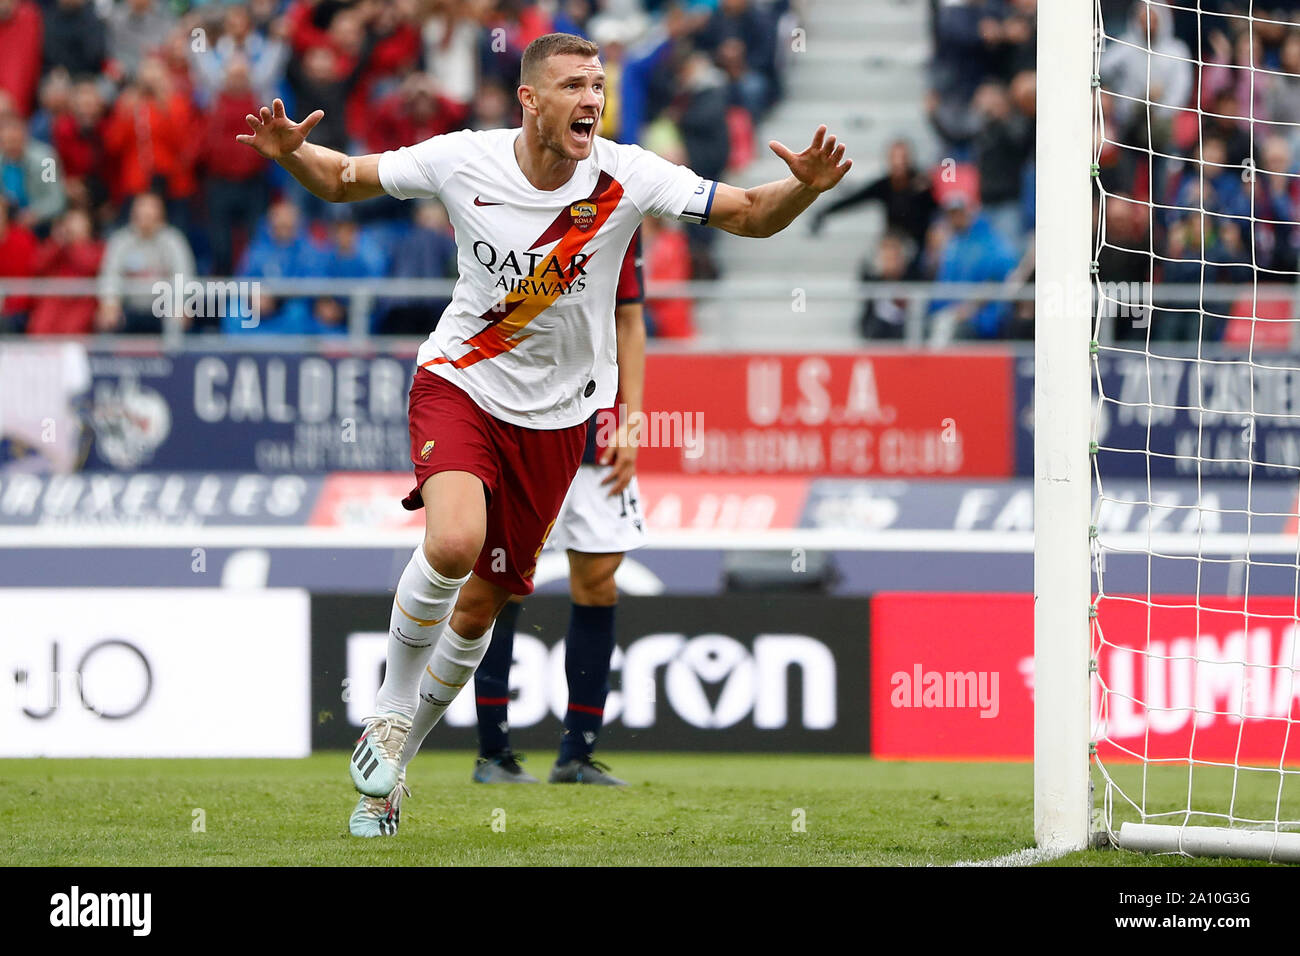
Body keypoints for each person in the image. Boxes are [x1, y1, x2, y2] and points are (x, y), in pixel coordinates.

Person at [236, 31, 851, 838]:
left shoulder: (628, 175)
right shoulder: (464, 159)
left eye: (597, 85)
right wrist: (291, 155)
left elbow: (746, 213)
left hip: (559, 420)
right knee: (455, 544)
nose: (591, 98)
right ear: (530, 99)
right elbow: (346, 180)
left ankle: (389, 776)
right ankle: (388, 710)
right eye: (571, 85)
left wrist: (801, 190)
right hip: (459, 383)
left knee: (483, 605)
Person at [470, 229, 647, 787]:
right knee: (500, 578)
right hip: (519, 420)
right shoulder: (504, 199)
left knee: (598, 581)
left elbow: (629, 318)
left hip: (594, 427)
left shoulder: (622, 210)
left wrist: (633, 418)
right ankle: (493, 753)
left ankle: (576, 755)